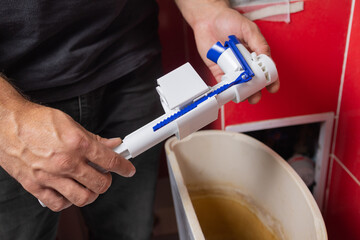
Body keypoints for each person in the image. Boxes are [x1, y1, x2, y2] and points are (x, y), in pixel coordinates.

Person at [0, 0, 279, 239]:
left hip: (129, 62)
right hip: (14, 101)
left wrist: (206, 10)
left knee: (129, 231)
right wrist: (8, 121)